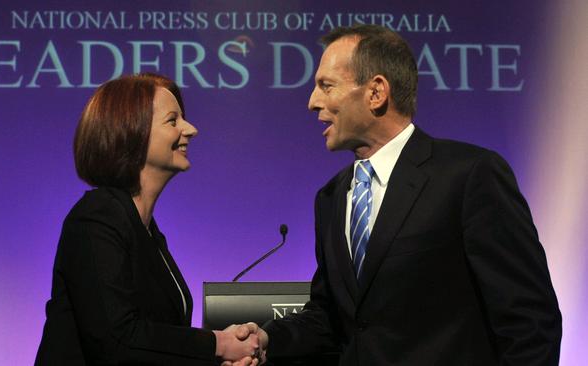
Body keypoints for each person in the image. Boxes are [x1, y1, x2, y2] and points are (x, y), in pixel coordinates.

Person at [240, 25, 562, 365]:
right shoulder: (331, 197)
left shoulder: (468, 176)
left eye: (326, 86)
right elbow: (330, 317)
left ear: (376, 92)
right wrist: (267, 338)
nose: (312, 102)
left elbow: (529, 320)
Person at [35, 73, 260, 366]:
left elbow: (156, 348)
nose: (191, 129)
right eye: (173, 120)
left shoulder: (147, 230)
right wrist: (218, 344)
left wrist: (222, 356)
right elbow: (118, 340)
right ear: (132, 132)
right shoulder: (96, 218)